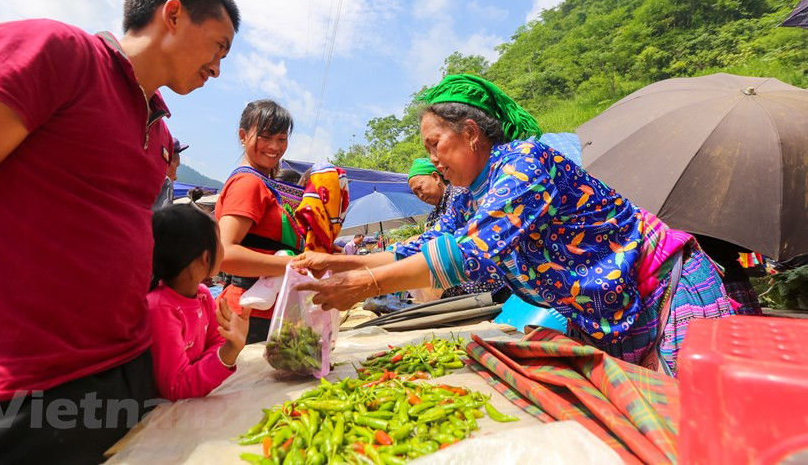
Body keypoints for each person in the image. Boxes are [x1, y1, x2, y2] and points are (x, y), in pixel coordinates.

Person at [0, 0, 240, 462]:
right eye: (218, 46)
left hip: (124, 377)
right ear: (173, 15)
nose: (217, 68)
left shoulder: (161, 134)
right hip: (19, 390)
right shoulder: (57, 52)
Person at [293, 74, 733, 376]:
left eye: (436, 144)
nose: (433, 160)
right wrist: (339, 262)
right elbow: (430, 245)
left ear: (470, 133)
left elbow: (469, 253)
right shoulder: (466, 193)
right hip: (604, 309)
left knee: (691, 419)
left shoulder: (525, 162)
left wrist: (367, 284)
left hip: (660, 290)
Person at [215, 100, 303, 344]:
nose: (274, 146)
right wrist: (295, 263)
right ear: (243, 136)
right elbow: (225, 254)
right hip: (248, 316)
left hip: (267, 313)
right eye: (265, 137)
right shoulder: (249, 183)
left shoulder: (264, 183)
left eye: (282, 138)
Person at [148, 205, 250, 401]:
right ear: (205, 257)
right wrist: (228, 353)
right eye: (219, 241)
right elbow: (176, 387)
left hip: (195, 401)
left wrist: (220, 353)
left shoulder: (202, 295)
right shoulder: (161, 309)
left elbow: (216, 341)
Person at [407, 157, 508, 301]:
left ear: (436, 177)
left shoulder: (458, 195)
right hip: (463, 287)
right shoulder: (434, 214)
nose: (420, 195)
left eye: (420, 188)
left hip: (486, 283)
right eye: (415, 193)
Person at [153, 137, 189, 210]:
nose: (175, 178)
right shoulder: (166, 183)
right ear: (170, 163)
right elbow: (162, 218)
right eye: (177, 165)